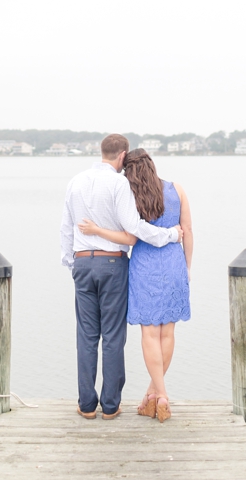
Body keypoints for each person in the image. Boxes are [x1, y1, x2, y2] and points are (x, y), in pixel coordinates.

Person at [58, 134, 184, 419]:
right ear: (123, 155)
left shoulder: (75, 182)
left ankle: (87, 405)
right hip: (113, 265)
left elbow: (66, 228)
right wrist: (171, 235)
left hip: (81, 263)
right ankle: (111, 405)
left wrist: (72, 263)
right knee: (113, 336)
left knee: (86, 336)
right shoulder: (119, 184)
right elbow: (134, 228)